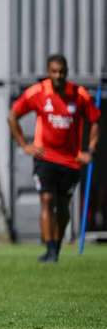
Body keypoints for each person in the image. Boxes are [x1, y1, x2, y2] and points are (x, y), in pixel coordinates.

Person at [8, 54, 100, 262]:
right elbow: (12, 115)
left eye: (62, 72)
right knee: (47, 200)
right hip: (45, 158)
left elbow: (95, 120)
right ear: (48, 72)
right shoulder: (38, 92)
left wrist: (90, 150)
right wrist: (24, 145)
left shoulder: (79, 94)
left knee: (63, 207)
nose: (58, 76)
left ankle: (56, 247)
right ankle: (49, 249)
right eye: (54, 72)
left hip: (70, 160)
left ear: (66, 72)